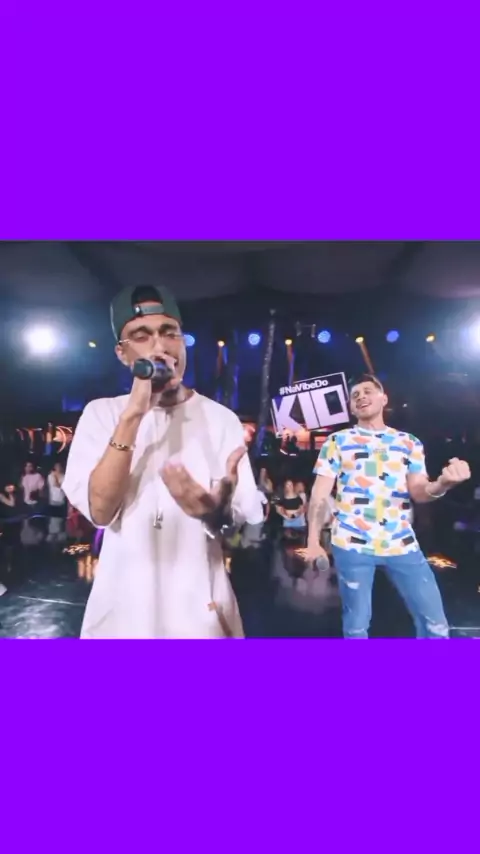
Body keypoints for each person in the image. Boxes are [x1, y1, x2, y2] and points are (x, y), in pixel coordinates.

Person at [63, 284, 264, 639]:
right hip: (123, 614)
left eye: (170, 333)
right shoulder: (101, 414)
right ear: (123, 353)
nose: (160, 346)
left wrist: (215, 514)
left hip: (200, 615)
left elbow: (237, 521)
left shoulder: (221, 419)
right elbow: (101, 512)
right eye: (142, 336)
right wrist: (133, 414)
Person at [301, 374, 471, 639]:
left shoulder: (409, 443)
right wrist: (313, 541)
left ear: (384, 399)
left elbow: (419, 491)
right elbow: (319, 495)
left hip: (400, 543)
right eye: (355, 395)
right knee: (356, 627)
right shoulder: (337, 441)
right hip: (351, 545)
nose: (361, 397)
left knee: (435, 624)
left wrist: (443, 484)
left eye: (367, 391)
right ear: (351, 407)